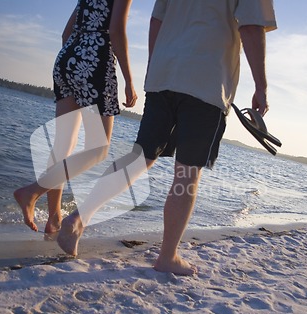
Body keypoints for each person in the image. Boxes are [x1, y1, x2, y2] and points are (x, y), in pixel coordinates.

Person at [56, 0, 277, 275]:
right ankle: (167, 256)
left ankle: (78, 219)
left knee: (140, 157)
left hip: (163, 75)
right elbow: (252, 27)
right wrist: (261, 87)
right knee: (187, 174)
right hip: (206, 82)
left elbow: (155, 22)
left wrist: (155, 65)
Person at [14, 0, 137, 234]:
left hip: (67, 58)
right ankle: (32, 192)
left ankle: (54, 218)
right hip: (95, 62)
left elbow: (65, 33)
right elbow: (116, 31)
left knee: (63, 144)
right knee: (98, 148)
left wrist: (74, 58)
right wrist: (129, 80)